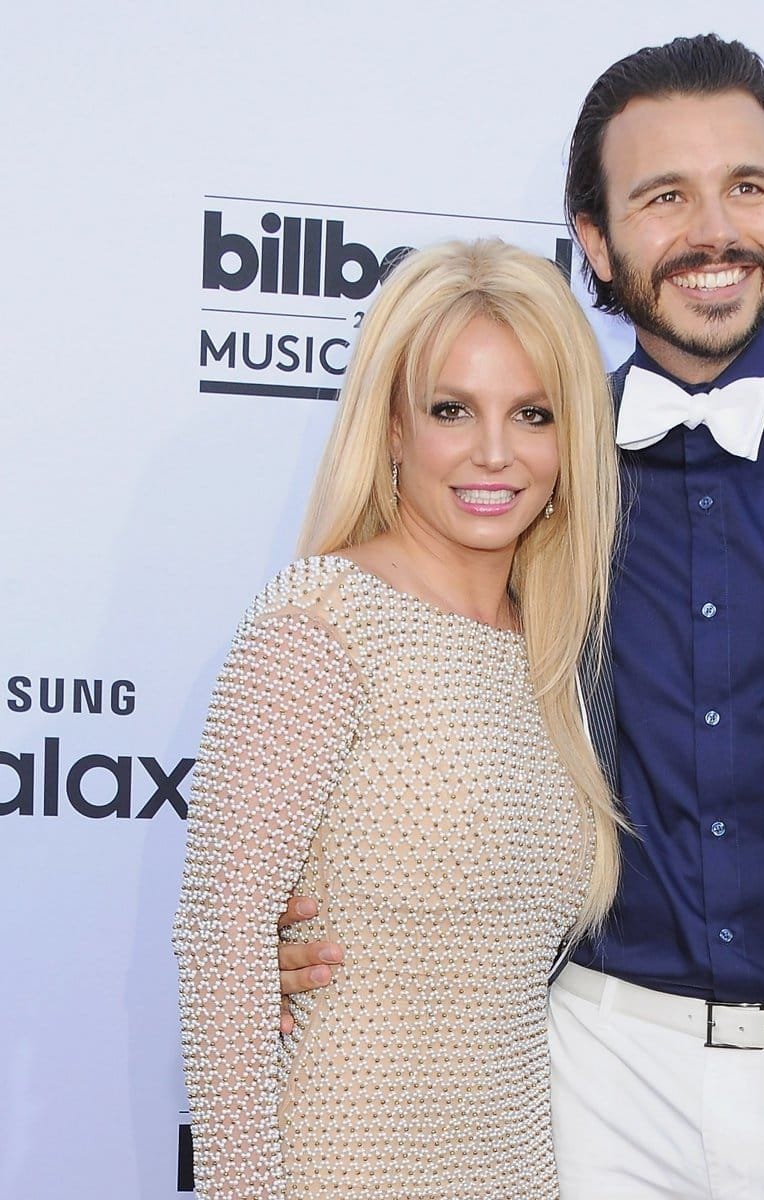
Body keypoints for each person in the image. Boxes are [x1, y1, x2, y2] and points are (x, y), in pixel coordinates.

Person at [277, 35, 764, 1199]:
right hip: (576, 1073)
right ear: (596, 240)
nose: (715, 231)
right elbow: (407, 706)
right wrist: (280, 937)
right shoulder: (531, 461)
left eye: (747, 188)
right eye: (666, 198)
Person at [173, 238, 623, 1200]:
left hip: (512, 1168)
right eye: (451, 410)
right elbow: (221, 938)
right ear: (389, 428)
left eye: (533, 414)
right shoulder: (322, 620)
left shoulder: (552, 654)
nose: (494, 452)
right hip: (341, 1161)